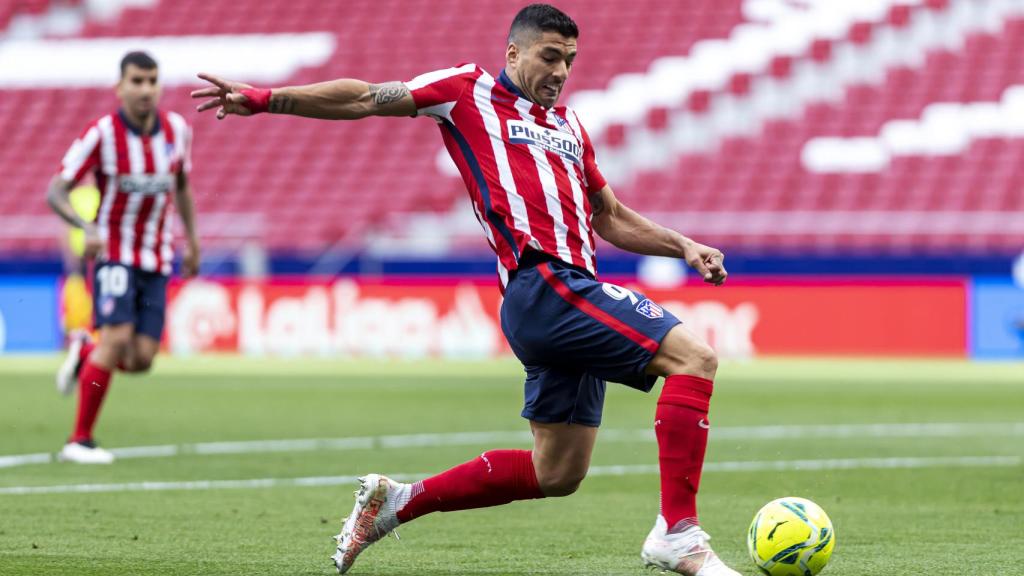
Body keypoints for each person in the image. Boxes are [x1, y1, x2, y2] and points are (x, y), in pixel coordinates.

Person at [192, 4, 736, 575]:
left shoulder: (571, 128)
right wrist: (266, 98)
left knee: (558, 473)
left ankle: (397, 503)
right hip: (544, 284)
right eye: (550, 56)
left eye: (569, 61)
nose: (560, 71)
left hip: (569, 294)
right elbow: (366, 98)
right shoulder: (466, 91)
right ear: (514, 52)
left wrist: (683, 245)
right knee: (694, 359)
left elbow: (612, 216)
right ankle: (678, 533)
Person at [48, 50, 201, 465]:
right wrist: (85, 227)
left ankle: (85, 353)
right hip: (114, 254)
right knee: (116, 339)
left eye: (152, 80)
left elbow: (182, 186)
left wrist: (193, 240)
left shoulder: (177, 130)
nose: (145, 89)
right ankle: (79, 440)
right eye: (136, 81)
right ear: (120, 87)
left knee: (141, 359)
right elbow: (55, 190)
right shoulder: (102, 134)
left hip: (156, 257)